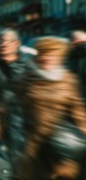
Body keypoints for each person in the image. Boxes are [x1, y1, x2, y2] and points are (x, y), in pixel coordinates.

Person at [17, 36, 86, 180]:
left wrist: (83, 128)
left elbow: (78, 110)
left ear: (59, 57)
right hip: (34, 144)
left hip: (62, 145)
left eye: (52, 54)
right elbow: (14, 105)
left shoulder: (68, 79)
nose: (48, 58)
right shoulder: (28, 79)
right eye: (44, 53)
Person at [0, 29, 35, 177]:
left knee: (21, 165)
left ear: (17, 44)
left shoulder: (28, 64)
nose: (3, 44)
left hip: (22, 124)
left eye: (7, 41)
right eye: (1, 41)